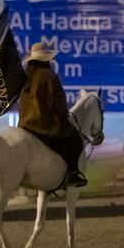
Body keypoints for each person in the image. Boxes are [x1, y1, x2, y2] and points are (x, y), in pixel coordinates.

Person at [18, 41, 88, 187]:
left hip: (24, 124)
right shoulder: (49, 76)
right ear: (46, 59)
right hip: (43, 125)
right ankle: (73, 174)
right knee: (75, 141)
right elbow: (58, 103)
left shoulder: (25, 78)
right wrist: (63, 117)